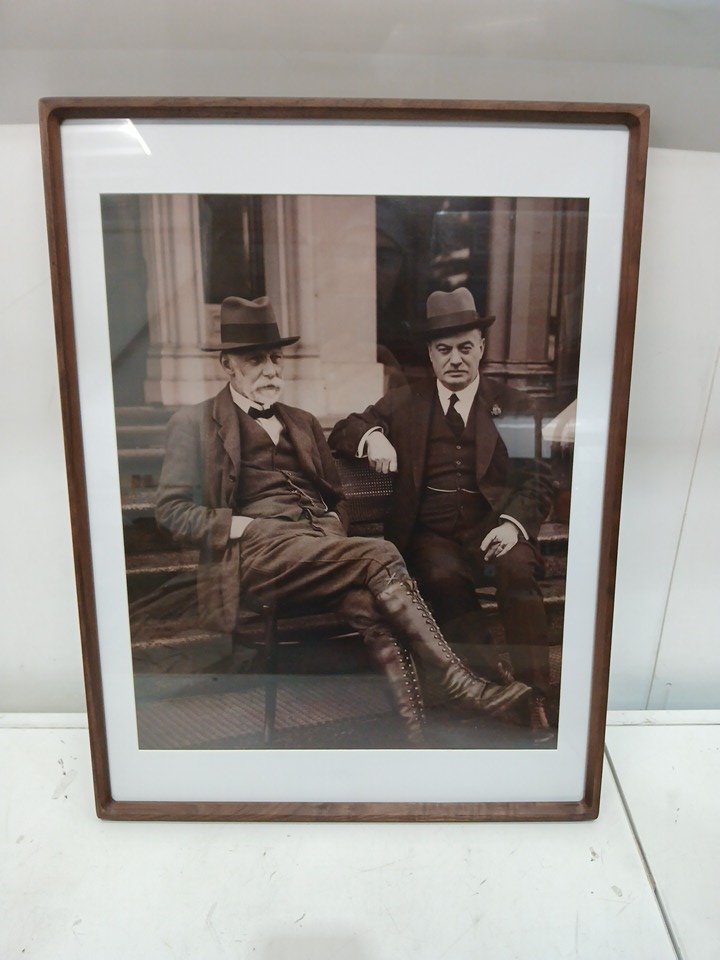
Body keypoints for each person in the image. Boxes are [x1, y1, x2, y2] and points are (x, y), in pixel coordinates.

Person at [155, 294, 532, 744]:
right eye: (255, 360)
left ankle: (416, 734)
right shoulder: (194, 423)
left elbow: (337, 498)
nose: (271, 370)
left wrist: (333, 526)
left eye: (276, 358)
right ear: (227, 365)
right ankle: (459, 683)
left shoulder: (303, 422)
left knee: (368, 605)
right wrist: (244, 527)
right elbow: (171, 511)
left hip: (319, 550)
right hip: (254, 554)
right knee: (381, 553)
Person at [329, 287, 555, 734]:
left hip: (495, 530)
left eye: (465, 348)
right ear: (430, 354)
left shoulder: (511, 406)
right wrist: (373, 437)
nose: (456, 359)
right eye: (444, 349)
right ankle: (494, 685)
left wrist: (513, 525)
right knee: (441, 576)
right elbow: (345, 428)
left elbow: (538, 478)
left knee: (517, 573)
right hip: (432, 537)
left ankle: (536, 692)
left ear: (481, 348)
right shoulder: (405, 403)